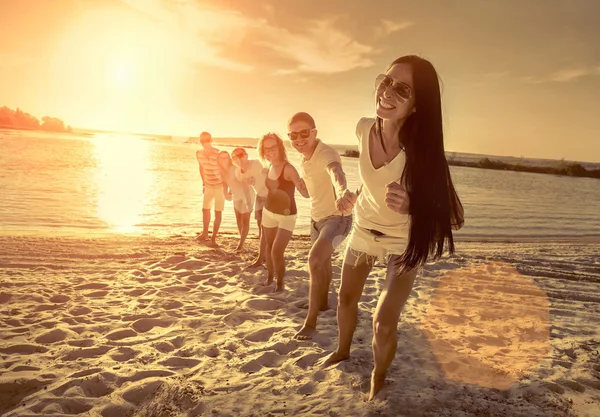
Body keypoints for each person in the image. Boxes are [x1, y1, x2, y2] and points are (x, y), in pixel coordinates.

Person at [320, 55, 465, 400]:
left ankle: (378, 375)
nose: (387, 92)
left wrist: (414, 204)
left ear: (417, 104)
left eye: (402, 89)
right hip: (363, 230)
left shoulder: (423, 152)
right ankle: (342, 351)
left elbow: (456, 217)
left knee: (383, 323)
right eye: (385, 82)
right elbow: (369, 181)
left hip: (403, 243)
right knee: (345, 299)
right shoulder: (362, 128)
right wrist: (350, 197)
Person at [287, 112, 354, 340]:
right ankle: (323, 303)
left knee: (314, 261)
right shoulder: (304, 159)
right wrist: (299, 186)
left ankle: (311, 322)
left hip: (339, 219)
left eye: (303, 133)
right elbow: (309, 193)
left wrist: (343, 190)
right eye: (293, 135)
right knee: (322, 263)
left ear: (314, 132)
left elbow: (335, 172)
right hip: (316, 220)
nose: (298, 139)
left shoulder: (326, 152)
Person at [258, 133, 309, 292]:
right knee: (268, 247)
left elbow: (306, 194)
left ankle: (280, 284)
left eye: (273, 147)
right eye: (266, 148)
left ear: (280, 147)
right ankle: (269, 278)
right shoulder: (268, 168)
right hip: (268, 213)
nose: (270, 151)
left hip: (287, 216)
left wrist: (308, 181)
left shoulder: (289, 169)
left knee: (276, 251)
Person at [231, 147, 269, 266]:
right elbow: (244, 187)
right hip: (259, 197)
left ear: (246, 155)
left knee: (266, 226)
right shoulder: (238, 172)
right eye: (235, 157)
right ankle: (263, 253)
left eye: (241, 156)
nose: (239, 159)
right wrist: (248, 202)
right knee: (259, 225)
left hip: (270, 196)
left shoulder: (257, 164)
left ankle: (266, 255)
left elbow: (271, 174)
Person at [217, 150, 256, 251]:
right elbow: (225, 183)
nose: (223, 160)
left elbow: (244, 184)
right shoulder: (221, 171)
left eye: (226, 157)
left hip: (246, 194)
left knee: (245, 220)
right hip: (236, 195)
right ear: (218, 160)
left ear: (229, 159)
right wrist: (226, 193)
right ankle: (242, 239)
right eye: (221, 158)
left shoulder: (234, 168)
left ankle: (241, 244)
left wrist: (248, 201)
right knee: (238, 219)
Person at [195, 131, 225, 246]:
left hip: (219, 187)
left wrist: (227, 189)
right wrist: (203, 184)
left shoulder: (218, 153)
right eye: (202, 141)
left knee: (218, 212)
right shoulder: (198, 153)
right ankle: (204, 233)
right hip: (208, 186)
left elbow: (224, 171)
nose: (204, 143)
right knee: (205, 209)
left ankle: (213, 238)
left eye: (207, 140)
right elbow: (201, 168)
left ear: (211, 140)